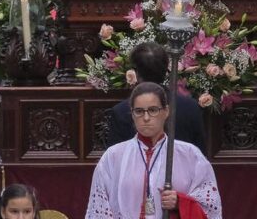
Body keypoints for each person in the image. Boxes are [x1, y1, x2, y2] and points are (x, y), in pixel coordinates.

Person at [86, 82, 222, 218]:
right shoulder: (113, 156)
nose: (146, 118)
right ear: (132, 114)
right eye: (139, 111)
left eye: (153, 110)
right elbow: (99, 208)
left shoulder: (190, 155)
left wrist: (179, 202)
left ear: (166, 111)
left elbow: (210, 206)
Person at [108, 42, 206, 150]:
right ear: (165, 70)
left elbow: (115, 161)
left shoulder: (121, 111)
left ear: (136, 73)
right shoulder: (190, 107)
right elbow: (200, 155)